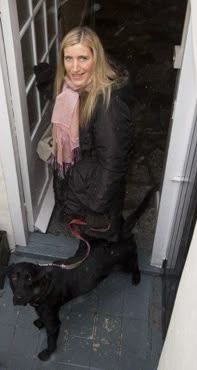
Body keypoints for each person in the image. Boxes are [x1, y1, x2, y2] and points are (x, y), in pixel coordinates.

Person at [50, 26, 130, 243]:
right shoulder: (70, 89)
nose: (74, 67)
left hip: (93, 196)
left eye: (83, 58)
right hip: (79, 186)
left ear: (96, 58)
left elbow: (113, 163)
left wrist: (95, 208)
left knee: (96, 245)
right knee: (85, 241)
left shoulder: (108, 103)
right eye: (68, 58)